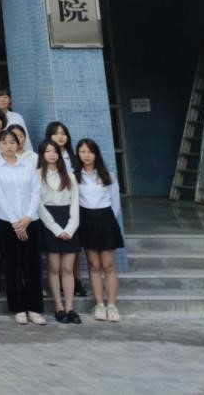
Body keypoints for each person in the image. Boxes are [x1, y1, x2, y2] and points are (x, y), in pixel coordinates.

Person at [0, 129, 45, 325]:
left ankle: (35, 308)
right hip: (7, 223)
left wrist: (27, 218)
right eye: (4, 142)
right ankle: (19, 308)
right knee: (12, 266)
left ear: (18, 144)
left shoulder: (28, 166)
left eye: (12, 142)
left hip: (31, 221)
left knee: (32, 266)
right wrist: (15, 222)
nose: (9, 146)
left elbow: (35, 192)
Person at [74, 138, 124, 322]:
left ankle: (111, 305)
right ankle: (99, 305)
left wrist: (108, 220)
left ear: (96, 154)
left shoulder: (108, 175)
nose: (86, 155)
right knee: (94, 265)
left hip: (105, 220)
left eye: (90, 151)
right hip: (86, 220)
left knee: (108, 264)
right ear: (78, 154)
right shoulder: (74, 176)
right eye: (83, 152)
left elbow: (115, 203)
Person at [38, 138, 81, 323]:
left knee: (68, 268)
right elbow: (38, 205)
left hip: (69, 221)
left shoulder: (69, 176)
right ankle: (58, 307)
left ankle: (70, 307)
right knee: (54, 268)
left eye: (54, 151)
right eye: (47, 151)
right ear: (42, 154)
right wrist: (56, 229)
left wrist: (70, 228)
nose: (51, 154)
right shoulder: (36, 175)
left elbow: (75, 203)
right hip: (49, 222)